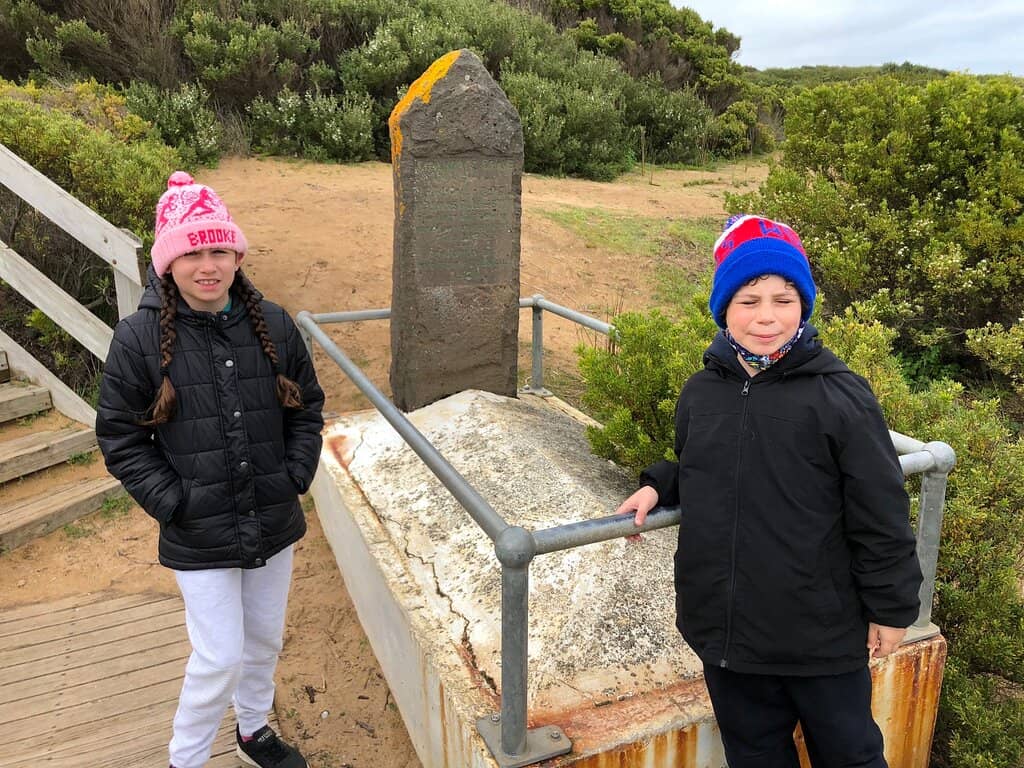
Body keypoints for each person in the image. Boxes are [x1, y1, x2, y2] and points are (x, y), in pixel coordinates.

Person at [616, 214, 923, 768]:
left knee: (851, 755)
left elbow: (881, 512)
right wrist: (659, 485)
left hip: (822, 636)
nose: (766, 316)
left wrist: (892, 609)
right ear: (723, 309)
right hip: (729, 635)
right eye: (749, 300)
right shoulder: (702, 391)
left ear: (803, 305)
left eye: (784, 299)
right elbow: (708, 465)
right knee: (754, 756)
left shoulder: (841, 396)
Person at [97, 171, 325, 768]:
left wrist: (294, 475)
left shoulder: (274, 324)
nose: (207, 265)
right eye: (191, 252)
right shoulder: (137, 339)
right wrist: (174, 502)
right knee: (219, 656)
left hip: (273, 518)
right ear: (167, 262)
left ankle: (253, 730)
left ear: (237, 255)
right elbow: (121, 436)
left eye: (219, 250)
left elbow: (307, 408)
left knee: (263, 640)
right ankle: (187, 758)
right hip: (198, 531)